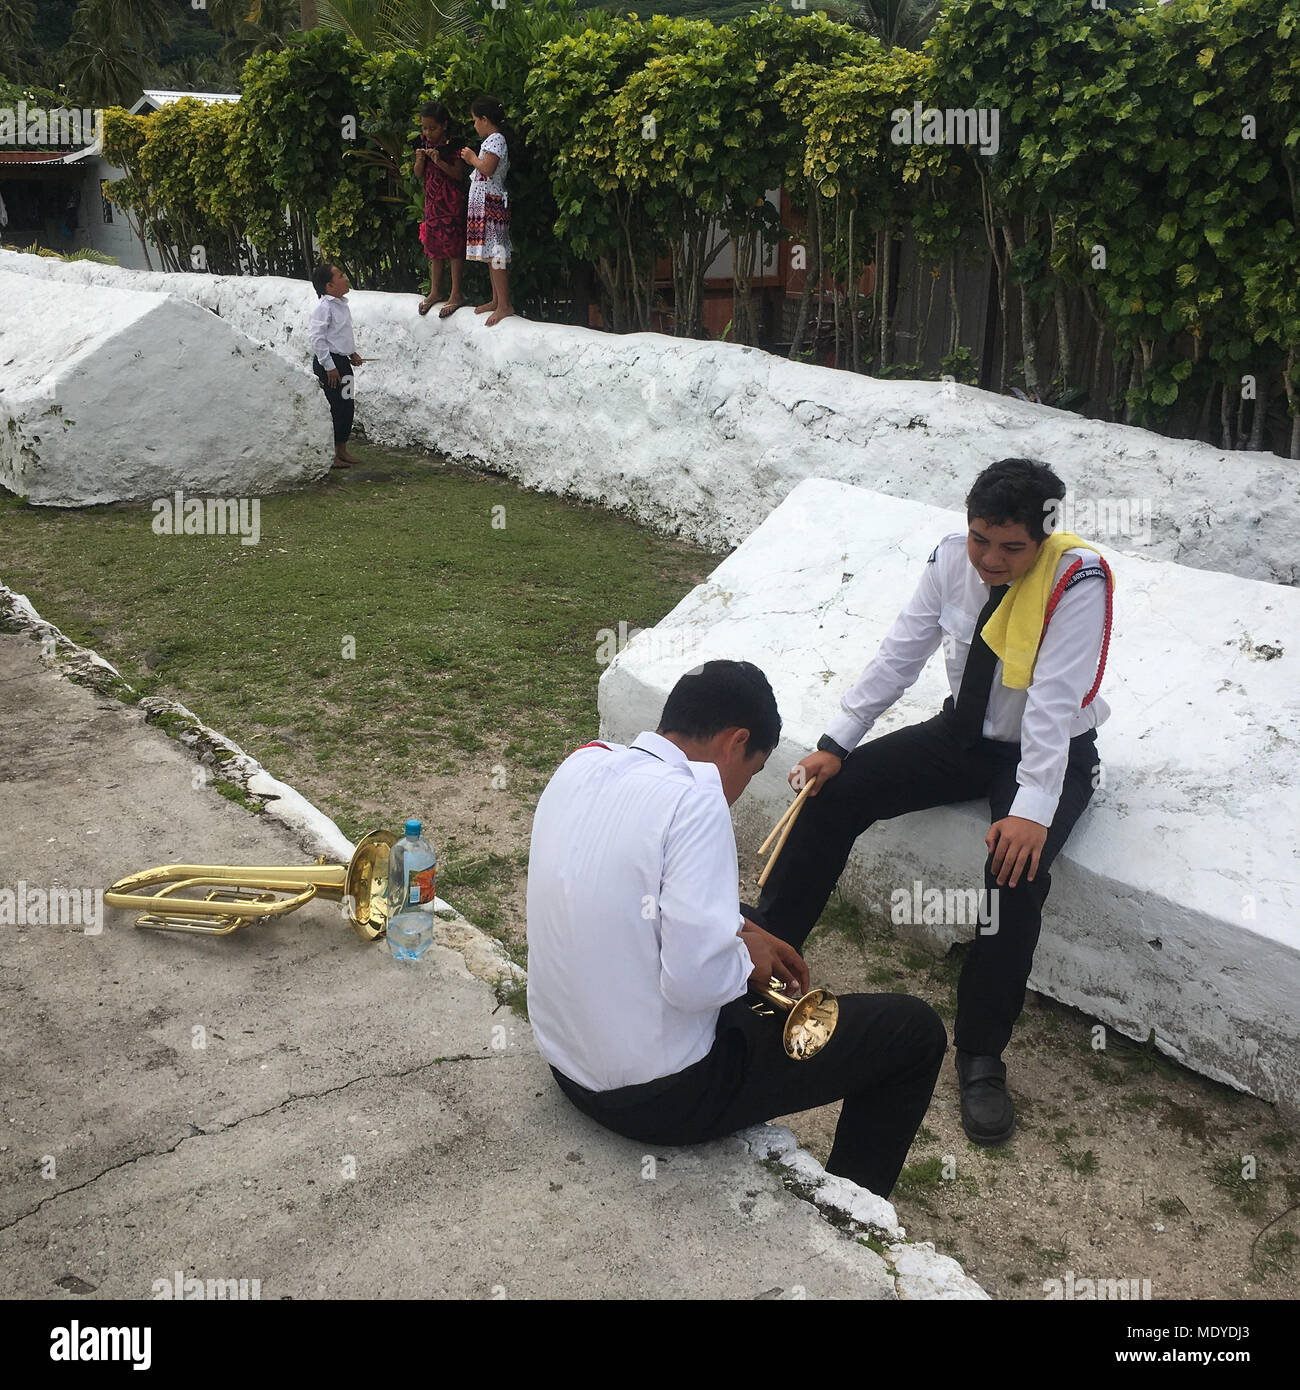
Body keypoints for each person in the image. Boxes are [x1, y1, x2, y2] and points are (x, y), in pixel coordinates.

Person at [748, 458, 1115, 1147]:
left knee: (1016, 873)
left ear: (1044, 539)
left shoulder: (1077, 579)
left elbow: (1053, 702)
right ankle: (766, 955)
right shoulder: (951, 559)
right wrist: (838, 740)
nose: (991, 559)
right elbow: (900, 652)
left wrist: (1031, 809)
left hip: (1053, 751)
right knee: (838, 792)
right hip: (963, 733)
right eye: (981, 538)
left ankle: (979, 1055)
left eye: (1012, 547)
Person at [526, 659, 946, 1200]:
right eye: (750, 772)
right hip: (655, 1098)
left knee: (750, 921)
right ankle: (852, 1208)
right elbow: (695, 984)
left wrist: (745, 929)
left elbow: (621, 886)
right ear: (736, 741)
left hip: (564, 1060)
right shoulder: (696, 799)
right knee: (913, 1032)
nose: (739, 790)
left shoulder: (585, 762)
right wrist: (748, 960)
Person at [460, 95, 515, 327]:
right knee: (491, 254)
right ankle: (496, 300)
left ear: (484, 119)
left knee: (497, 253)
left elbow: (488, 168)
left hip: (492, 204)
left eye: (475, 120)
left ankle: (505, 304)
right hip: (485, 205)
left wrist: (472, 158)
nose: (474, 125)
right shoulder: (492, 140)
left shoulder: (496, 140)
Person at [414, 101, 468, 319]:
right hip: (432, 204)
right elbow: (418, 174)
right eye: (424, 128)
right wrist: (420, 160)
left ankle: (456, 293)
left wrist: (439, 161)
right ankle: (435, 291)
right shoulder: (422, 143)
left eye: (432, 128)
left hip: (452, 203)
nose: (428, 133)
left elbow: (459, 175)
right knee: (434, 246)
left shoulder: (453, 146)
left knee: (454, 248)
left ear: (444, 125)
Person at [309, 263, 365, 470]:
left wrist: (352, 353)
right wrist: (329, 367)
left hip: (343, 363)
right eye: (340, 276)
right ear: (329, 286)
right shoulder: (323, 308)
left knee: (347, 404)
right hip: (330, 365)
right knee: (334, 407)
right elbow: (318, 339)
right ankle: (330, 452)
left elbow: (340, 334)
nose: (345, 279)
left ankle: (342, 448)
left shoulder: (341, 304)